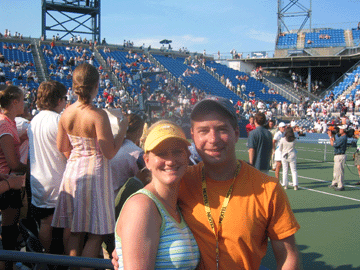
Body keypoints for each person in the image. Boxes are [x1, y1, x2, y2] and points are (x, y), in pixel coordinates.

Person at [112, 96, 300, 270]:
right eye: (203, 131)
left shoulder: (268, 189)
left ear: (236, 134)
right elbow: (142, 218)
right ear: (193, 136)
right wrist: (128, 247)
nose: (213, 139)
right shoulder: (180, 181)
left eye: (221, 129)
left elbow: (287, 257)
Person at [51, 63, 128, 264]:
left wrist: (79, 156)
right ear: (96, 86)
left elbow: (62, 146)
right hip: (95, 174)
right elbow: (109, 152)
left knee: (75, 231)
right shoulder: (97, 114)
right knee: (97, 233)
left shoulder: (66, 113)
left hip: (73, 171)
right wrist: (122, 130)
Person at [115, 120, 200, 269]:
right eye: (161, 153)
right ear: (147, 161)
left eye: (177, 151)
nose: (170, 161)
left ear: (187, 155)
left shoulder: (178, 203)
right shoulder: (141, 207)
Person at [28, 80, 69, 253]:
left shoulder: (34, 121)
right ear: (59, 99)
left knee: (45, 223)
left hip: (38, 180)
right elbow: (68, 152)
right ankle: (61, 261)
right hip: (57, 180)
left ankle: (47, 258)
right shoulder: (59, 120)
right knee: (65, 225)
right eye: (65, 98)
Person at [0, 85, 28, 270]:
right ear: (14, 102)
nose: (25, 104)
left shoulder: (8, 122)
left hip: (7, 181)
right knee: (9, 231)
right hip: (7, 183)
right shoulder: (4, 124)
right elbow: (13, 163)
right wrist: (32, 169)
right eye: (22, 100)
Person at [327, 125, 348, 191]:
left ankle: (340, 185)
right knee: (336, 170)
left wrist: (330, 136)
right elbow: (334, 141)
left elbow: (333, 144)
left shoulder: (343, 138)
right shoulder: (341, 137)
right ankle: (335, 182)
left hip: (340, 155)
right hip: (337, 155)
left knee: (339, 171)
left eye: (340, 129)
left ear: (343, 130)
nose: (339, 130)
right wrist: (332, 137)